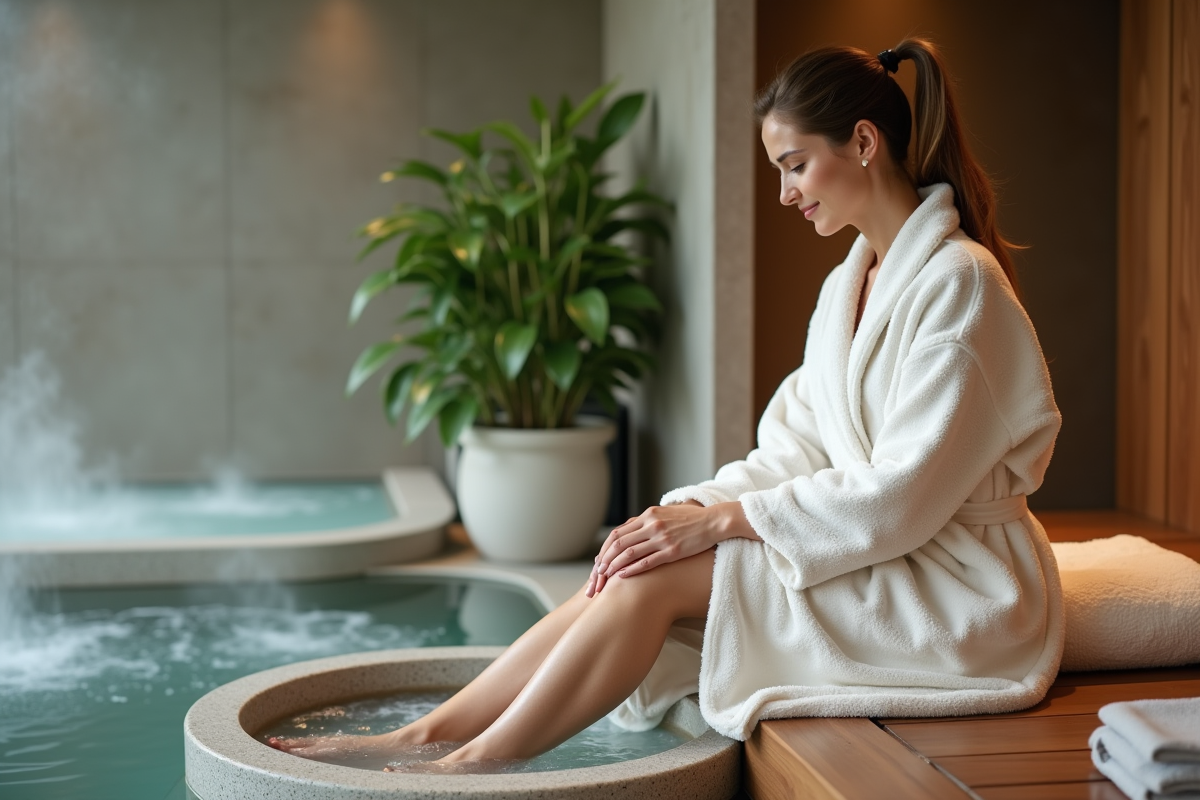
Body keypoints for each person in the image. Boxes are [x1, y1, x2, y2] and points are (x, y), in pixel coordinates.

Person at [270, 37, 1063, 771]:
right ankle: (424, 735)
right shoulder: (849, 285)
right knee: (636, 565)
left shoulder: (959, 285)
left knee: (651, 584)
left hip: (955, 591)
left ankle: (468, 769)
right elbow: (797, 448)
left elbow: (903, 494)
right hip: (877, 549)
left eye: (793, 166)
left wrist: (719, 524)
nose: (785, 195)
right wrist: (681, 514)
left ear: (862, 142)